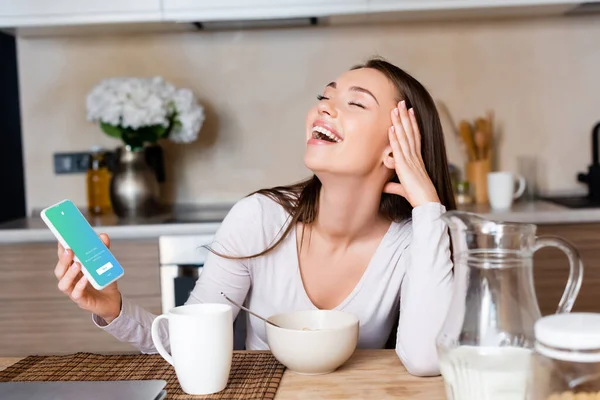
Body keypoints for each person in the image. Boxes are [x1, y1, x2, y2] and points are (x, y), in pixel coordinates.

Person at [53, 57, 455, 377]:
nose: (324, 107)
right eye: (325, 95)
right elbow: (185, 343)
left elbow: (424, 360)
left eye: (355, 103)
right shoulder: (258, 219)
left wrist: (428, 208)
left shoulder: (414, 239)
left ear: (395, 150)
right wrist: (112, 309)